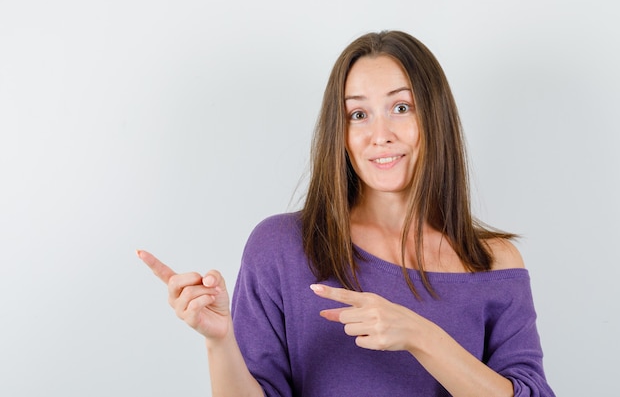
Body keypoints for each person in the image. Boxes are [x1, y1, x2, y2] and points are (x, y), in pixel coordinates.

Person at [138, 30, 555, 397]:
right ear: (341, 134)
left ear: (436, 117)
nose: (380, 135)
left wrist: (420, 336)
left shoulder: (493, 262)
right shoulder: (281, 248)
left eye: (401, 107)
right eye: (358, 114)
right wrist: (219, 343)